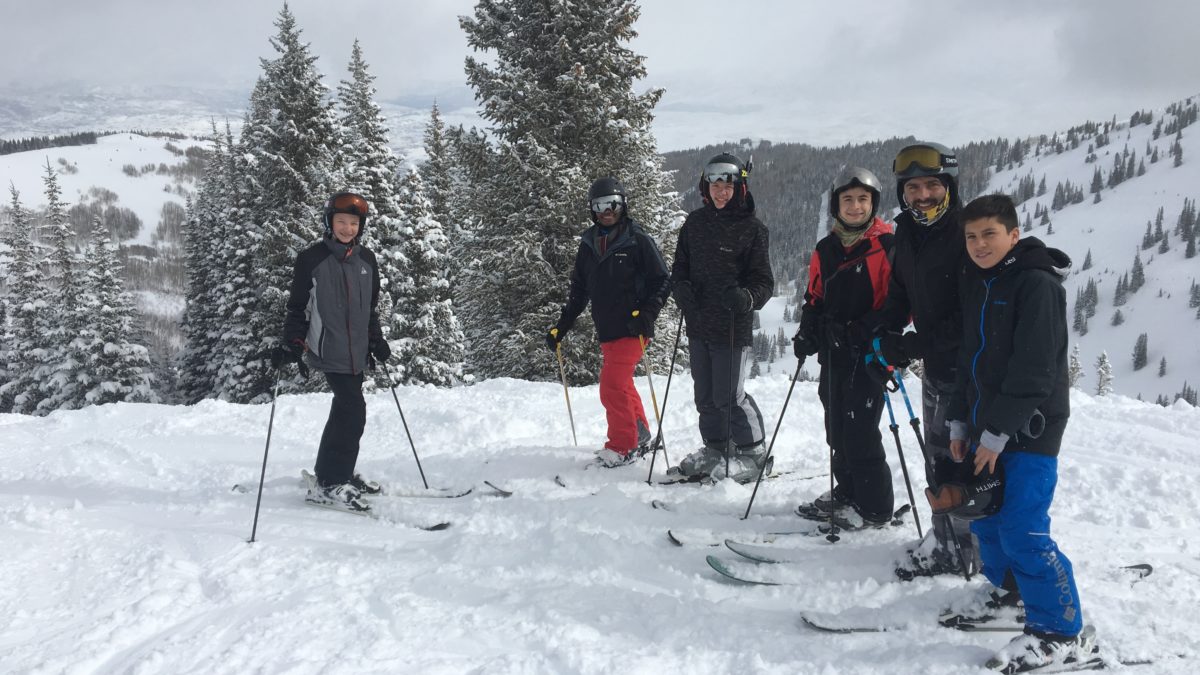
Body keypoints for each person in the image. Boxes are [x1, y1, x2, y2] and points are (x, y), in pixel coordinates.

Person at [942, 194, 1089, 673]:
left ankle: (1061, 634)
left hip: (1029, 431)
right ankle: (1011, 596)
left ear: (1013, 234)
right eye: (971, 236)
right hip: (988, 428)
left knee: (1024, 529)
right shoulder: (983, 282)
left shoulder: (1036, 284)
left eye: (989, 234)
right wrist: (962, 422)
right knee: (986, 518)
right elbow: (971, 361)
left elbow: (1034, 371)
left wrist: (997, 433)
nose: (979, 244)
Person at [869, 141, 979, 577]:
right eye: (913, 187)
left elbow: (972, 315)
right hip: (937, 369)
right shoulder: (909, 233)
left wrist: (914, 345)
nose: (922, 195)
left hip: (969, 374)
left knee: (962, 462)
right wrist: (886, 331)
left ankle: (969, 548)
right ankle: (947, 540)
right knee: (939, 457)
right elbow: (900, 291)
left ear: (948, 186)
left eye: (932, 185)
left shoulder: (965, 233)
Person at [271, 191, 391, 513]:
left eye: (354, 223)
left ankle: (332, 473)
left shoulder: (367, 260)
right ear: (329, 222)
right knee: (353, 411)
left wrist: (375, 339)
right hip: (329, 348)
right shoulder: (312, 259)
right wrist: (293, 343)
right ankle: (331, 484)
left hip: (357, 352)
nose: (348, 228)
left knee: (344, 410)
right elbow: (297, 308)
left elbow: (370, 309)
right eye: (341, 221)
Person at [793, 167, 896, 528]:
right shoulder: (827, 248)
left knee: (861, 430)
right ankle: (848, 492)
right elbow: (815, 295)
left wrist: (861, 330)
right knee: (836, 426)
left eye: (862, 199)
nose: (855, 206)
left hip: (869, 355)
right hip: (834, 353)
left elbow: (897, 305)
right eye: (847, 199)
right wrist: (808, 330)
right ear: (836, 204)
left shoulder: (885, 246)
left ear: (874, 204)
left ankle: (875, 507)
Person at [546, 177, 671, 467]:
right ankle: (639, 434)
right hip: (607, 330)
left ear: (623, 205)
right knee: (622, 382)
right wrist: (561, 327)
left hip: (633, 327)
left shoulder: (637, 239)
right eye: (600, 205)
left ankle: (623, 445)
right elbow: (579, 291)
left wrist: (649, 312)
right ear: (592, 209)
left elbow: (663, 279)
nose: (607, 210)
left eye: (613, 203)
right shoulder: (588, 245)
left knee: (611, 385)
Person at [670, 153, 773, 483]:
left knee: (729, 396)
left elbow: (764, 283)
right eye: (715, 185)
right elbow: (680, 267)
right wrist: (681, 288)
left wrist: (747, 298)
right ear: (706, 186)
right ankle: (716, 448)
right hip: (699, 324)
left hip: (732, 326)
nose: (720, 192)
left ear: (739, 187)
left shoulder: (753, 229)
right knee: (705, 397)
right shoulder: (694, 224)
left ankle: (755, 453)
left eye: (727, 186)